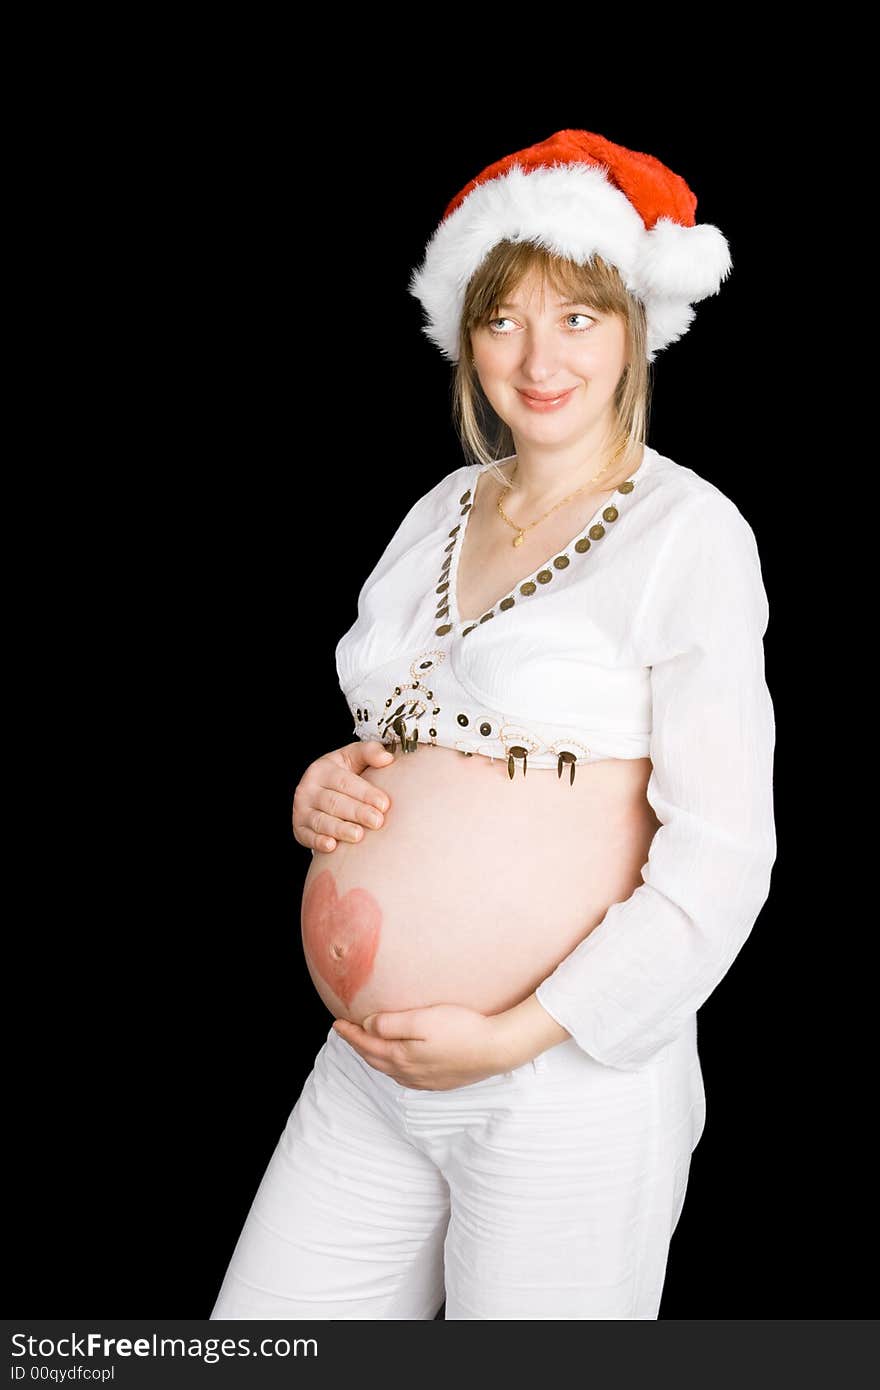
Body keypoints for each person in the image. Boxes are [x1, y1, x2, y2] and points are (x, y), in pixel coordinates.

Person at [209, 128, 776, 1320]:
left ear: (633, 329)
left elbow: (722, 859)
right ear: (463, 336)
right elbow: (409, 732)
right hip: (370, 1074)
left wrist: (516, 1034)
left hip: (560, 1086)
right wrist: (326, 789)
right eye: (501, 317)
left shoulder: (690, 532)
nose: (537, 355)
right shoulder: (442, 507)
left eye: (576, 316)